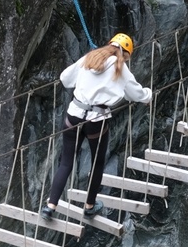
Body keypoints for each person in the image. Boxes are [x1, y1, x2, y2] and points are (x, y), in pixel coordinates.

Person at [42, 33, 153, 220]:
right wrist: (148, 95)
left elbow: (65, 78)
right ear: (125, 54)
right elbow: (137, 94)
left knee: (66, 162)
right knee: (97, 163)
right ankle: (89, 206)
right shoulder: (121, 69)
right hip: (96, 122)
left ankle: (50, 206)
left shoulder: (90, 57)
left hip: (74, 115)